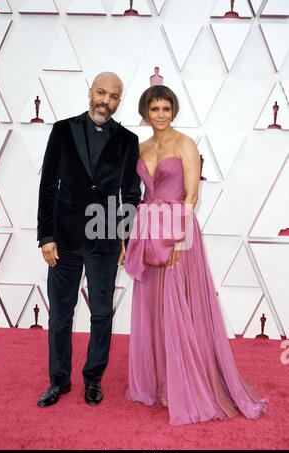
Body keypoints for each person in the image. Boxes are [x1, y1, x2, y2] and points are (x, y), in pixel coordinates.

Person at [124, 85, 268, 425]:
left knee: (177, 307)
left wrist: (176, 239)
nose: (161, 114)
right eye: (154, 108)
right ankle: (161, 382)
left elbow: (191, 197)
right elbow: (140, 194)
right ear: (145, 112)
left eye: (166, 108)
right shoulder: (140, 147)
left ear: (174, 111)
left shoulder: (186, 145)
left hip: (177, 230)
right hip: (147, 229)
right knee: (153, 308)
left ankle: (186, 384)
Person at [36, 72, 141, 407]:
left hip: (105, 237)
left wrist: (125, 236)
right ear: (89, 92)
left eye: (113, 97)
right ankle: (59, 381)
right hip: (64, 237)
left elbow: (131, 194)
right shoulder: (63, 130)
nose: (105, 102)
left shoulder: (127, 140)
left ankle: (93, 378)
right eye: (100, 93)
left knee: (101, 313)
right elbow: (48, 185)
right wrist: (46, 235)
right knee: (61, 313)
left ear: (118, 102)